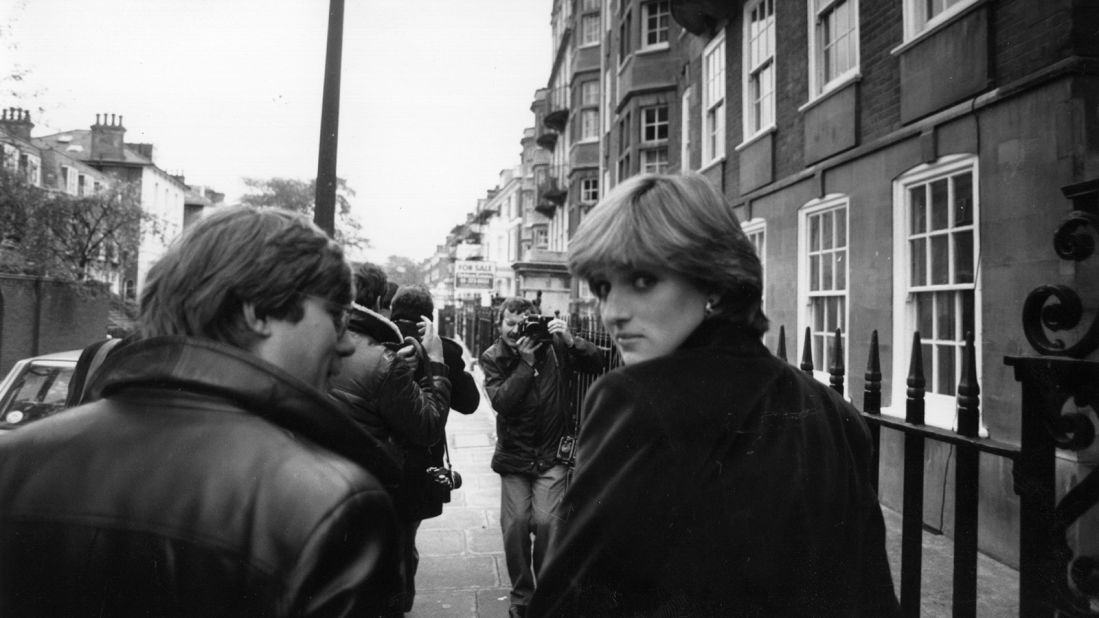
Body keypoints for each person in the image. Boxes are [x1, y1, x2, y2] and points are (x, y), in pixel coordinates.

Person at [0, 206, 403, 616]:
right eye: (335, 316)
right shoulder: (334, 504)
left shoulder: (13, 462)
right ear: (259, 310)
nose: (347, 343)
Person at [527, 173, 900, 617]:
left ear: (715, 283)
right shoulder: (834, 411)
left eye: (643, 280)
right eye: (604, 287)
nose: (613, 313)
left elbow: (568, 604)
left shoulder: (637, 400)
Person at [329, 264, 452, 614]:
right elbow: (428, 424)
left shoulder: (319, 343)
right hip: (372, 492)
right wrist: (437, 362)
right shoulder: (383, 362)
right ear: (382, 302)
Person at [481, 296, 604, 618]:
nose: (516, 330)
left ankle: (546, 593)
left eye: (523, 323)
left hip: (552, 456)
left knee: (548, 523)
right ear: (499, 324)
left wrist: (571, 340)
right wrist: (525, 364)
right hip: (515, 458)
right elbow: (502, 403)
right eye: (510, 323)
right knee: (517, 525)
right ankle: (523, 597)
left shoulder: (556, 347)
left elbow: (598, 362)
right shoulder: (493, 357)